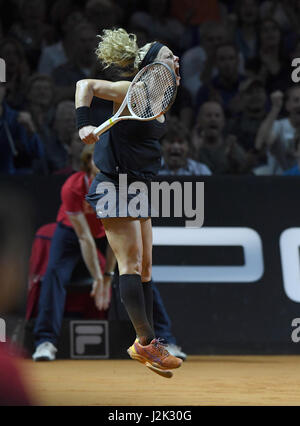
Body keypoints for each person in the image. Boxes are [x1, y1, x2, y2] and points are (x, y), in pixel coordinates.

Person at [75, 27, 183, 376]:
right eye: (168, 56)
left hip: (141, 187)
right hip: (114, 185)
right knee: (131, 263)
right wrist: (82, 126)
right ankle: (145, 342)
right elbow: (84, 86)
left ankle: (148, 344)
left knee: (147, 267)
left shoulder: (160, 100)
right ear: (151, 66)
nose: (176, 59)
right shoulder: (129, 91)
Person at [32, 145, 116, 361]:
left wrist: (107, 278)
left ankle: (160, 340)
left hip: (105, 233)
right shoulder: (73, 187)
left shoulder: (118, 189)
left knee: (137, 269)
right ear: (88, 164)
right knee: (54, 274)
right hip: (71, 232)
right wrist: (98, 278)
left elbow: (117, 240)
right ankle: (45, 341)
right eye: (99, 160)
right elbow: (84, 238)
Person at [192, 101, 248, 174]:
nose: (213, 119)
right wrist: (195, 150)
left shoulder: (232, 146)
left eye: (217, 115)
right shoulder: (191, 146)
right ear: (199, 120)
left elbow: (243, 172)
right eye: (208, 115)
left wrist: (232, 158)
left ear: (223, 122)